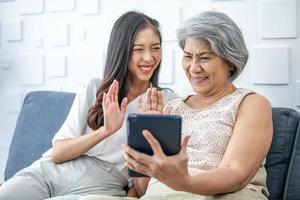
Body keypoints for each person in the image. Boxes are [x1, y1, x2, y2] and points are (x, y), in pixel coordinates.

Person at [0, 11, 177, 200]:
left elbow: (143, 190)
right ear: (122, 51)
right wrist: (105, 131)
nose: (149, 58)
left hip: (103, 186)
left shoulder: (166, 102)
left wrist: (146, 129)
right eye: (139, 49)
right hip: (49, 173)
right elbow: (58, 153)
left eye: (155, 48)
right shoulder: (95, 88)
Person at [120, 11, 273, 200]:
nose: (193, 68)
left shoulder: (251, 103)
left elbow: (236, 174)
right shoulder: (172, 107)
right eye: (188, 56)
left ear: (230, 61)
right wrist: (147, 139)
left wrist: (184, 183)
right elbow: (144, 190)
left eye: (205, 58)